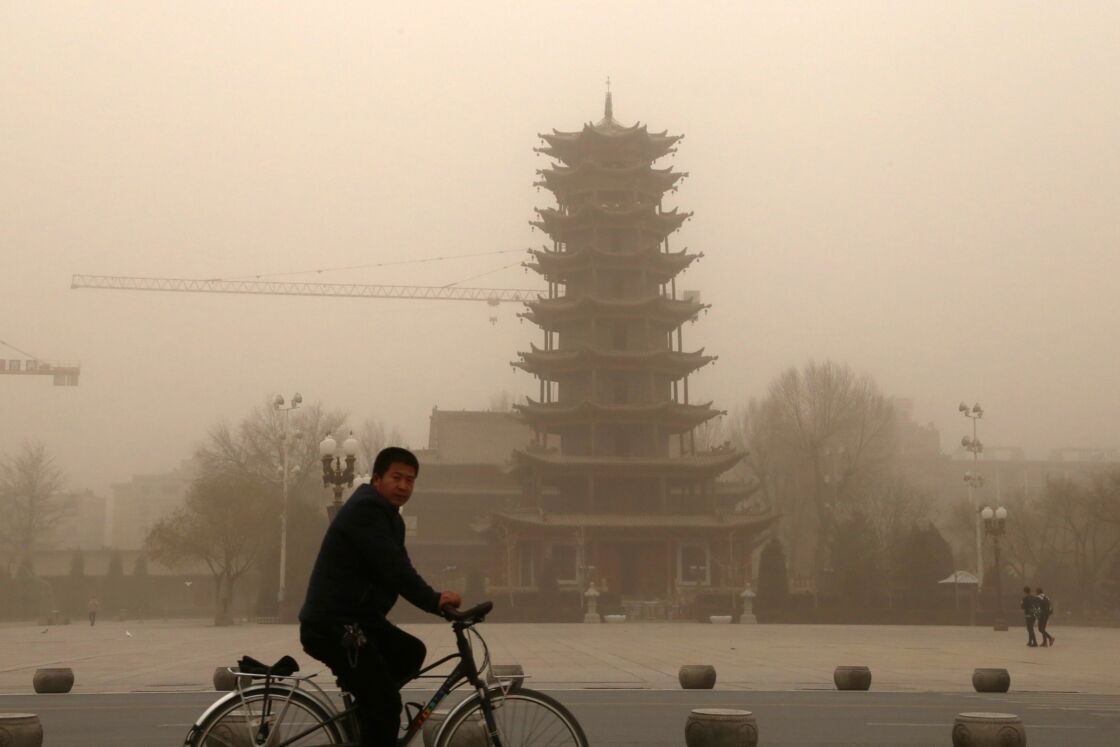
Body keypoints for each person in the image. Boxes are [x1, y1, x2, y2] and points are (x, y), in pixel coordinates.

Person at [299, 447, 462, 747]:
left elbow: (399, 568)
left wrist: (433, 599)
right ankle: (373, 714)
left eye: (410, 480)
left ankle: (366, 718)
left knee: (409, 653)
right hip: (333, 625)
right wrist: (433, 600)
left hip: (359, 621)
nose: (403, 486)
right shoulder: (366, 510)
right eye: (396, 477)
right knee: (386, 706)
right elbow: (393, 568)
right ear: (376, 479)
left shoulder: (390, 518)